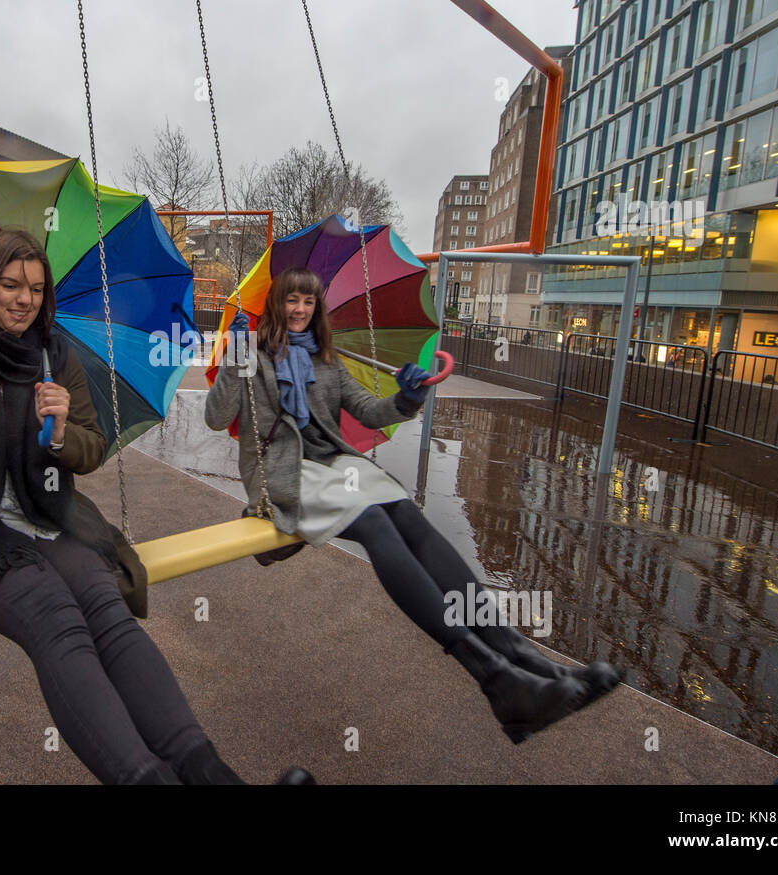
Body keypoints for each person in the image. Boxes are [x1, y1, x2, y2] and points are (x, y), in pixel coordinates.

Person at [0, 227, 296, 784]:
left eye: (34, 288)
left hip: (49, 522)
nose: (24, 299)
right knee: (57, 618)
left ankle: (211, 771)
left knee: (109, 613)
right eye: (9, 285)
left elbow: (91, 450)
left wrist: (59, 433)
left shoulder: (54, 354)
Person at [204, 266, 623, 744]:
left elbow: (368, 410)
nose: (299, 310)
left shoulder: (326, 360)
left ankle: (522, 656)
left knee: (405, 513)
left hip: (333, 465)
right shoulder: (252, 356)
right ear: (275, 306)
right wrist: (236, 355)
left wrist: (407, 397)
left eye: (308, 302)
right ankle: (495, 677)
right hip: (280, 473)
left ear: (316, 309)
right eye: (290, 301)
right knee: (375, 522)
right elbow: (216, 418)